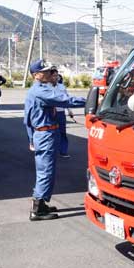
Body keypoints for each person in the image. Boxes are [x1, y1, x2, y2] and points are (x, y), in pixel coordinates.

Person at [24, 59, 86, 221]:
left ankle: (41, 203)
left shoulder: (37, 90)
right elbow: (66, 100)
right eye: (46, 71)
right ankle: (37, 209)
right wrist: (91, 102)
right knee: (46, 171)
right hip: (46, 134)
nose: (50, 74)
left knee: (44, 170)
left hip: (42, 134)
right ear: (36, 75)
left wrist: (31, 138)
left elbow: (27, 119)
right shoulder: (41, 91)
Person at [51, 71, 73, 158]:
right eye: (54, 76)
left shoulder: (62, 87)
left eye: (57, 76)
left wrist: (69, 110)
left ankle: (63, 151)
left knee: (62, 132)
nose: (56, 77)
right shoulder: (46, 87)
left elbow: (66, 99)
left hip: (60, 112)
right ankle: (52, 150)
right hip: (50, 113)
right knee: (51, 133)